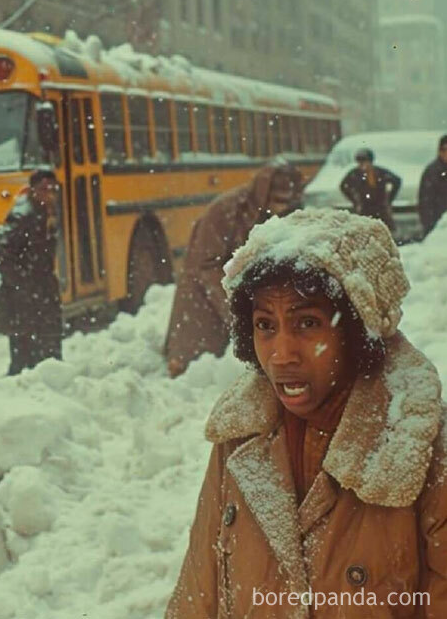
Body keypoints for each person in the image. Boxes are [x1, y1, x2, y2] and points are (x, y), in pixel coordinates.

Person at [166, 208, 447, 618]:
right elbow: (198, 593)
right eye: (265, 325)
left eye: (307, 323)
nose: (281, 354)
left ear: (356, 332)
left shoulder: (425, 449)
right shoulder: (239, 439)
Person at [164, 159, 304, 378]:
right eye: (277, 200)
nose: (281, 207)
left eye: (286, 201)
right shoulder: (226, 210)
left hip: (235, 281)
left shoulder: (277, 211)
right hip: (206, 284)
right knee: (195, 359)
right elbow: (206, 265)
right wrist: (233, 306)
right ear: (264, 193)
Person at [0, 168, 62, 375]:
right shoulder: (23, 217)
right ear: (32, 191)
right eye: (44, 189)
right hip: (26, 301)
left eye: (53, 189)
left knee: (48, 357)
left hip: (41, 295)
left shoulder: (47, 213)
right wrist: (22, 282)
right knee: (25, 363)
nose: (49, 194)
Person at [340, 147, 401, 230]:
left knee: (385, 227)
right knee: (364, 228)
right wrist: (354, 200)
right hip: (364, 206)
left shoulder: (379, 172)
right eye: (360, 163)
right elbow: (343, 186)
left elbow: (396, 180)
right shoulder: (355, 174)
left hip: (380, 205)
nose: (363, 166)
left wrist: (390, 198)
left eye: (365, 162)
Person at [418, 133, 447, 238]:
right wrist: (429, 224)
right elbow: (426, 200)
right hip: (437, 223)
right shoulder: (432, 171)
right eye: (445, 149)